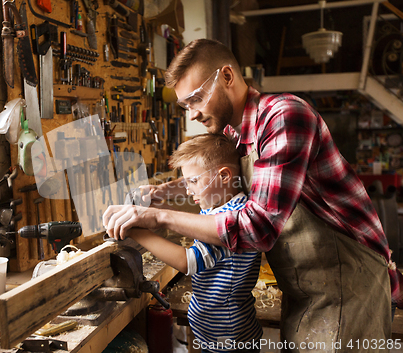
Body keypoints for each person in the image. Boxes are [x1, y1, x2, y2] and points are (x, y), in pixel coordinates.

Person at [103, 39, 402, 351]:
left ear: (227, 77)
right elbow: (232, 178)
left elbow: (258, 227)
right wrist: (164, 192)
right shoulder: (237, 134)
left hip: (347, 284)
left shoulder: (283, 117)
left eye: (196, 99)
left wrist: (156, 216)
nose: (192, 114)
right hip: (307, 289)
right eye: (185, 105)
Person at [129, 133, 262, 353]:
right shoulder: (218, 205)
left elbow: (188, 261)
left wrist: (136, 231)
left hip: (228, 336)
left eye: (193, 181)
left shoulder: (232, 217)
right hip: (213, 330)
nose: (188, 190)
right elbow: (197, 223)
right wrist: (154, 211)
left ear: (224, 176)